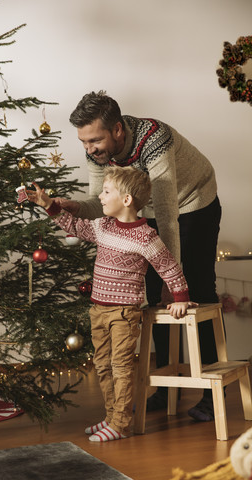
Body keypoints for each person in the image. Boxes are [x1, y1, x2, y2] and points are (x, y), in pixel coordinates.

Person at [59, 90, 222, 423]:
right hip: (150, 212)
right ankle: (165, 387)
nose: (89, 149)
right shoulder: (98, 154)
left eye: (94, 140)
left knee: (197, 291)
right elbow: (98, 204)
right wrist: (77, 208)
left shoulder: (154, 138)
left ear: (117, 130)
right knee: (153, 299)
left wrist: (173, 282)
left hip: (193, 203)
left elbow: (166, 213)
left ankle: (209, 392)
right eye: (84, 142)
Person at [27, 165, 197, 442]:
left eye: (106, 192)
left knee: (121, 367)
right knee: (103, 365)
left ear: (126, 200)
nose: (101, 198)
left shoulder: (146, 237)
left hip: (124, 313)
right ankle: (110, 417)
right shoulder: (103, 226)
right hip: (98, 309)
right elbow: (75, 226)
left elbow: (169, 267)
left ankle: (120, 423)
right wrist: (49, 205)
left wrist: (180, 298)